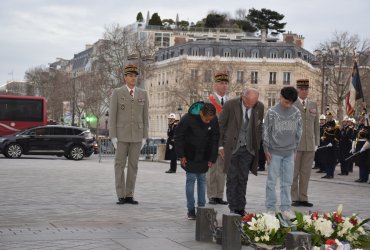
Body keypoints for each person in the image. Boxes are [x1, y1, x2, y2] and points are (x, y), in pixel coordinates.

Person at [218, 88, 264, 217]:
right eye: (249, 103)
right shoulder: (230, 105)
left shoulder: (259, 107)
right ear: (243, 97)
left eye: (254, 103)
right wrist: (220, 146)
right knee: (232, 178)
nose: (251, 106)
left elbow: (259, 127)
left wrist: (256, 145)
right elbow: (220, 125)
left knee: (243, 178)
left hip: (248, 149)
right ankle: (233, 208)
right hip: (232, 148)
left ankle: (240, 207)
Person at [109, 64, 149, 205]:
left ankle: (129, 194)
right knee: (119, 165)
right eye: (130, 76)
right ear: (125, 77)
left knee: (133, 166)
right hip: (121, 135)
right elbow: (112, 115)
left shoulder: (143, 93)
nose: (133, 78)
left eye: (135, 76)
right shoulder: (117, 92)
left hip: (137, 135)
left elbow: (145, 117)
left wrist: (145, 136)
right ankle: (121, 194)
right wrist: (113, 135)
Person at [174, 102, 220, 220]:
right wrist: (181, 155)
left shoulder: (213, 120)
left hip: (205, 155)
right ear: (201, 114)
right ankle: (190, 209)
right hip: (190, 155)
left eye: (210, 120)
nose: (208, 122)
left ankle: (202, 208)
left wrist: (212, 158)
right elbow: (178, 137)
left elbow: (215, 139)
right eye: (206, 119)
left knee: (202, 179)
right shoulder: (187, 119)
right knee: (191, 179)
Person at [263, 86, 302, 219]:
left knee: (287, 182)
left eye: (291, 103)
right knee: (271, 181)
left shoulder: (296, 112)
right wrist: (266, 149)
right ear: (280, 97)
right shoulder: (272, 112)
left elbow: (299, 132)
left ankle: (286, 208)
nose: (288, 105)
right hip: (274, 152)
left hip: (289, 152)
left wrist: (295, 149)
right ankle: (270, 208)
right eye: (286, 102)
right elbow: (266, 131)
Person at [291, 79, 319, 208]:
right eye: (301, 89)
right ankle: (294, 197)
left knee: (306, 173)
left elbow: (316, 125)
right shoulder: (292, 104)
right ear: (297, 90)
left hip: (309, 144)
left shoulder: (313, 104)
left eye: (306, 89)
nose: (304, 91)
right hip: (295, 145)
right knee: (294, 172)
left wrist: (316, 142)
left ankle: (303, 197)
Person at [207, 71, 229, 205]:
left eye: (226, 83)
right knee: (212, 169)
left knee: (222, 170)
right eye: (221, 83)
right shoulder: (209, 101)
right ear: (215, 85)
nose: (224, 86)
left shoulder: (231, 102)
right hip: (211, 140)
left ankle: (219, 195)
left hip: (226, 141)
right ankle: (211, 195)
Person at [320, 111, 339, 179]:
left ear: (332, 117)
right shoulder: (326, 124)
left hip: (332, 145)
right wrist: (323, 137)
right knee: (326, 159)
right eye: (327, 117)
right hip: (326, 144)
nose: (328, 118)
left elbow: (337, 136)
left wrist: (333, 142)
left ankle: (331, 174)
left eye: (329, 117)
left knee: (331, 160)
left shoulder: (335, 125)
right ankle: (327, 173)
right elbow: (324, 133)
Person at [353, 112, 370, 183]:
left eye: (364, 118)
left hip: (366, 145)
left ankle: (364, 177)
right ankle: (361, 177)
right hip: (360, 144)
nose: (362, 119)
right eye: (362, 118)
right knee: (360, 162)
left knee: (365, 163)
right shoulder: (360, 126)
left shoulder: (368, 127)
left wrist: (364, 147)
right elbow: (356, 136)